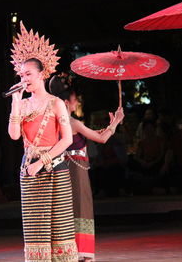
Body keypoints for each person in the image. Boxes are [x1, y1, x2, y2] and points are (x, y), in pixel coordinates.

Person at [7, 21, 78, 262]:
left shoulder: (56, 103)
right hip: (29, 170)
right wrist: (15, 103)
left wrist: (42, 162)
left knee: (59, 227)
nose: (24, 78)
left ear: (42, 74)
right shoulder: (23, 105)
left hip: (54, 168)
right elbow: (14, 135)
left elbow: (67, 139)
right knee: (35, 230)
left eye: (28, 74)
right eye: (21, 74)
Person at [49, 75, 124, 262]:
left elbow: (91, 135)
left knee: (66, 209)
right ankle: (82, 253)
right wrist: (115, 122)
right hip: (75, 172)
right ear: (66, 102)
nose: (77, 103)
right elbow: (103, 139)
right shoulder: (73, 123)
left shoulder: (55, 122)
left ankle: (66, 251)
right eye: (75, 100)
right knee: (81, 208)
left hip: (62, 170)